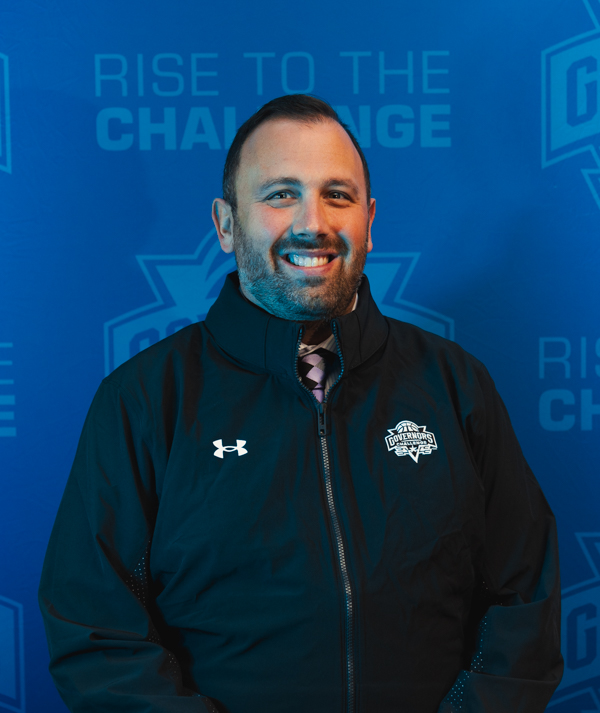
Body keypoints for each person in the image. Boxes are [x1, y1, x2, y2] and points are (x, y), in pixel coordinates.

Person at [39, 94, 563, 713]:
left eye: (337, 195)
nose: (313, 223)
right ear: (226, 223)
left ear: (369, 219)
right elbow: (97, 631)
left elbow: (523, 597)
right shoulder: (144, 400)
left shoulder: (456, 386)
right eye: (281, 194)